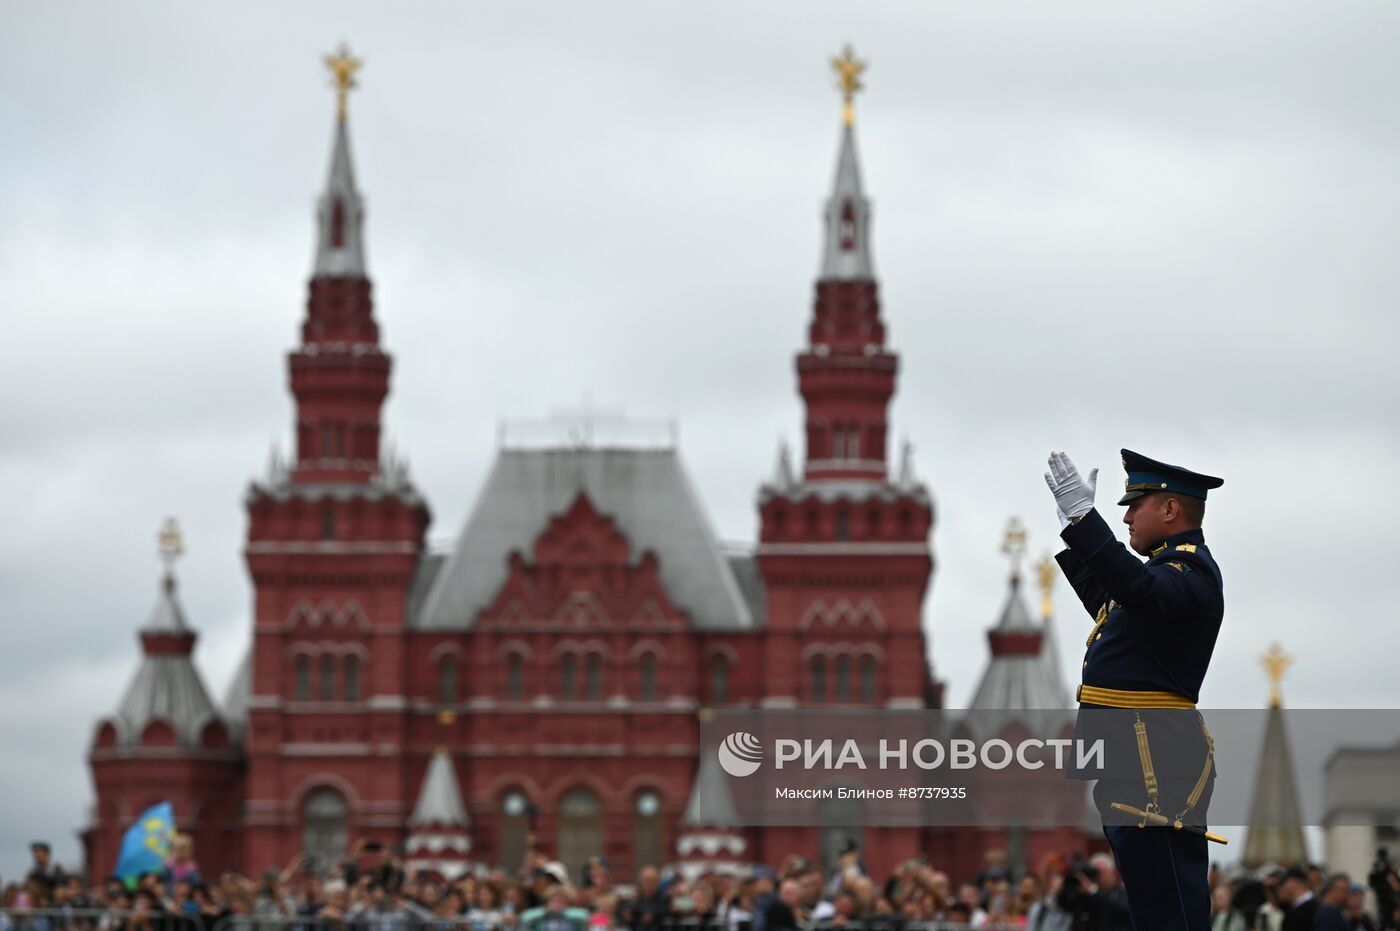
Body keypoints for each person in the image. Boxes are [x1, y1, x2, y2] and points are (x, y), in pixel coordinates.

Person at [1045, 449, 1226, 930]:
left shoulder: (1190, 572)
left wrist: (1089, 523)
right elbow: (1116, 601)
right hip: (1139, 752)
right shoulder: (1162, 578)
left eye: (1135, 504)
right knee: (1152, 901)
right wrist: (1076, 532)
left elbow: (1136, 590)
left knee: (1168, 907)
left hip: (1154, 756)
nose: (1125, 516)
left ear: (1169, 509)